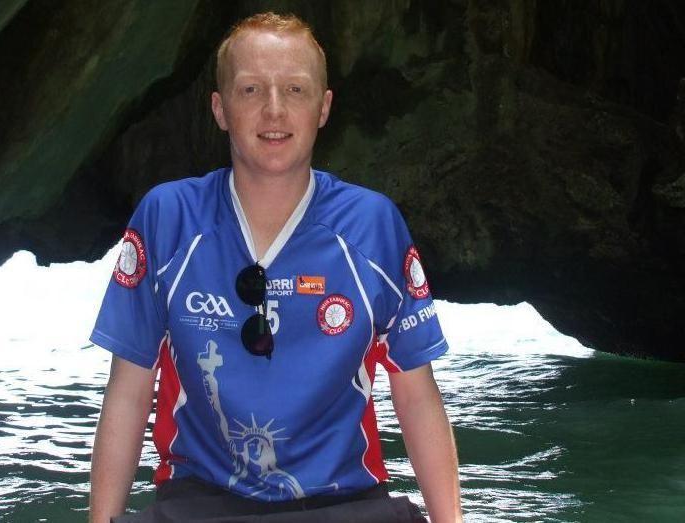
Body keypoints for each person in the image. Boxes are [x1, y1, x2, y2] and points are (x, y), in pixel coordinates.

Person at [88, 12, 462, 523]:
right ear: (220, 109)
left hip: (346, 504)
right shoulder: (169, 219)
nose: (274, 110)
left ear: (324, 107)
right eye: (250, 90)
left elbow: (416, 392)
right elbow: (129, 389)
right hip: (198, 504)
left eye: (295, 89)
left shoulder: (371, 225)